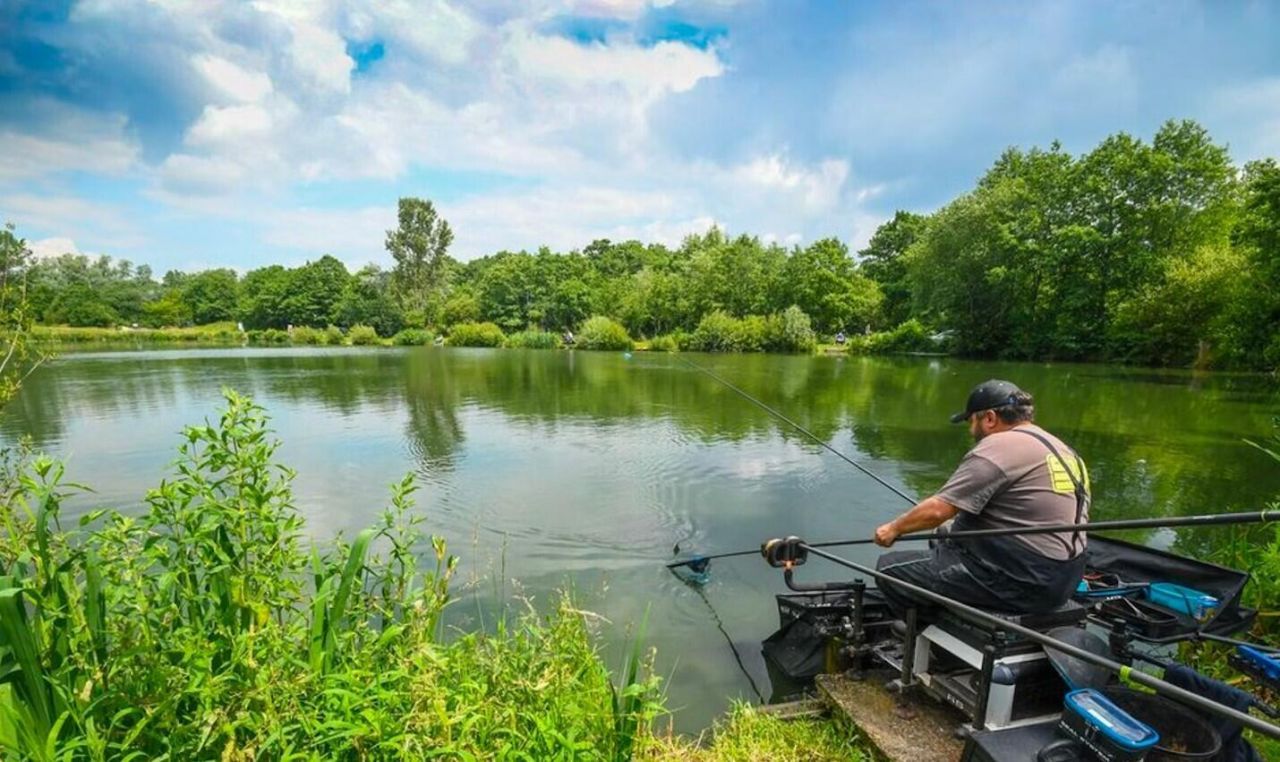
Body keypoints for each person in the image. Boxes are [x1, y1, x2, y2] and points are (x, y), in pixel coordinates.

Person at [873, 379, 1090, 616]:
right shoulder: (1062, 448)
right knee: (944, 533)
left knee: (889, 569)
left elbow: (937, 511)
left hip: (1023, 582)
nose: (970, 431)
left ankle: (926, 629)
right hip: (1064, 579)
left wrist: (892, 529)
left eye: (971, 422)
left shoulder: (1000, 445)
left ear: (989, 418)